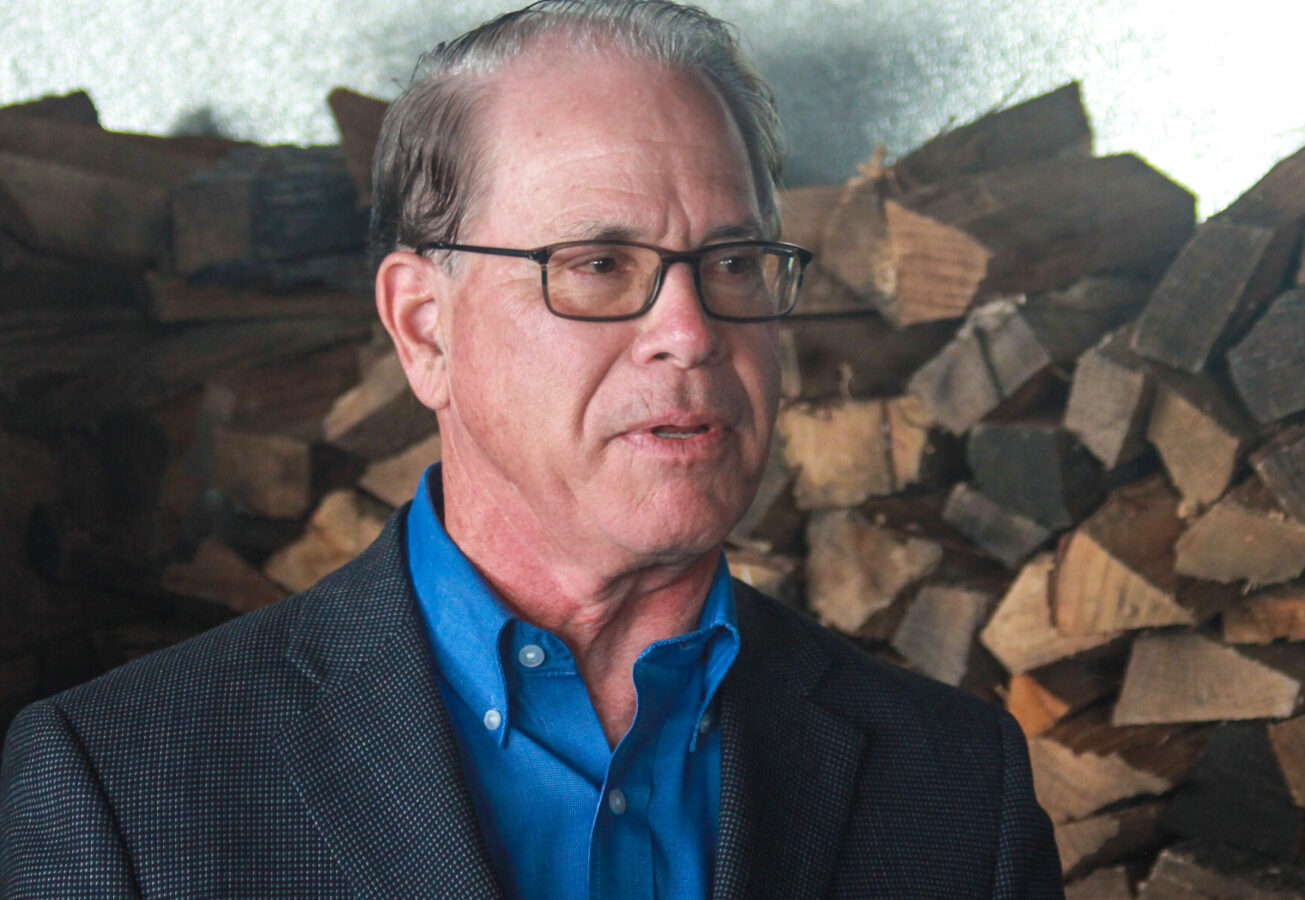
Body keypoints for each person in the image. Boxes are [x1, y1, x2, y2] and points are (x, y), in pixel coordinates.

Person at [0, 2, 1063, 896]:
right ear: (425, 329)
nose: (692, 331)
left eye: (732, 260)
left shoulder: (960, 789)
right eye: (598, 262)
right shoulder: (123, 791)